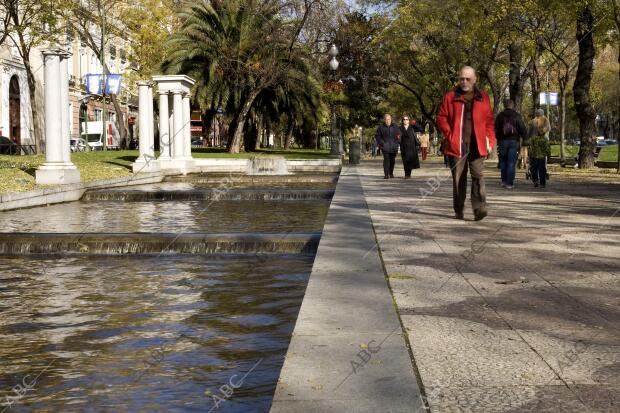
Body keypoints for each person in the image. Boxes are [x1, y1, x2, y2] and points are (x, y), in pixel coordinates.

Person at [436, 66, 496, 221]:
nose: (464, 81)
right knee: (458, 180)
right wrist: (449, 134)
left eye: (468, 78)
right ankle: (459, 209)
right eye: (462, 78)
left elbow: (489, 121)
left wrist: (490, 139)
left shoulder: (483, 96)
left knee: (478, 177)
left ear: (475, 79)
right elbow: (441, 117)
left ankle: (479, 209)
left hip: (478, 145)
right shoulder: (450, 97)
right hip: (457, 145)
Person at [495, 99, 526, 189]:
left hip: (502, 141)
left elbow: (496, 129)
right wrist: (524, 138)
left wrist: (499, 138)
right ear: (512, 106)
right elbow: (522, 128)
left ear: (505, 106)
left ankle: (504, 181)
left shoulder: (500, 116)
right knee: (511, 162)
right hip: (514, 141)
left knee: (503, 161)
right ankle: (510, 183)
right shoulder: (517, 115)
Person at [526, 109, 550, 180]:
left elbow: (528, 133)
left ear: (536, 114)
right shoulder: (546, 121)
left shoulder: (532, 122)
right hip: (543, 143)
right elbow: (549, 129)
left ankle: (534, 176)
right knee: (543, 160)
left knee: (533, 160)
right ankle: (543, 174)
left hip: (534, 144)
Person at [375, 113, 401, 179]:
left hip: (393, 147)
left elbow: (399, 135)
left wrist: (397, 142)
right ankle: (386, 174)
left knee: (392, 160)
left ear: (391, 119)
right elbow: (378, 136)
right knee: (386, 160)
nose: (387, 121)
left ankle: (391, 173)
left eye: (389, 119)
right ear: (384, 120)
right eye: (386, 119)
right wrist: (382, 143)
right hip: (385, 147)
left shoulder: (395, 126)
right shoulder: (381, 127)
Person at [399, 114, 421, 178]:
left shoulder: (412, 127)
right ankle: (406, 174)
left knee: (410, 161)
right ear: (402, 121)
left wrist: (415, 123)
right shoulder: (400, 128)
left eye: (407, 119)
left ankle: (408, 174)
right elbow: (397, 136)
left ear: (409, 120)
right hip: (404, 146)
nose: (405, 120)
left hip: (412, 147)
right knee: (405, 160)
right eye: (404, 119)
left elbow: (420, 128)